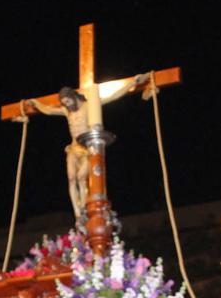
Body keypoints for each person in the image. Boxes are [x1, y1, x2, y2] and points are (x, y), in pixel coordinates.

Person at [26, 75, 148, 222]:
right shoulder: (67, 111)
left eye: (68, 101)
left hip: (87, 147)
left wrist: (133, 83)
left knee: (81, 177)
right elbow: (49, 110)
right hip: (73, 148)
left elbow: (114, 96)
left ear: (73, 96)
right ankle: (77, 212)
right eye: (64, 103)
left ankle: (84, 208)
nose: (67, 105)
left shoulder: (89, 105)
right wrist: (35, 103)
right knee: (71, 178)